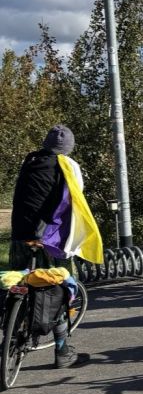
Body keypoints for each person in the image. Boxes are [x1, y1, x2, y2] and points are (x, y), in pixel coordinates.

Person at [9, 124, 103, 368]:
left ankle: (11, 337)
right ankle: (62, 351)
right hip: (48, 240)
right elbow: (75, 198)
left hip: (20, 237)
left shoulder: (30, 161)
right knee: (59, 288)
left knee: (19, 283)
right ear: (68, 148)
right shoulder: (68, 165)